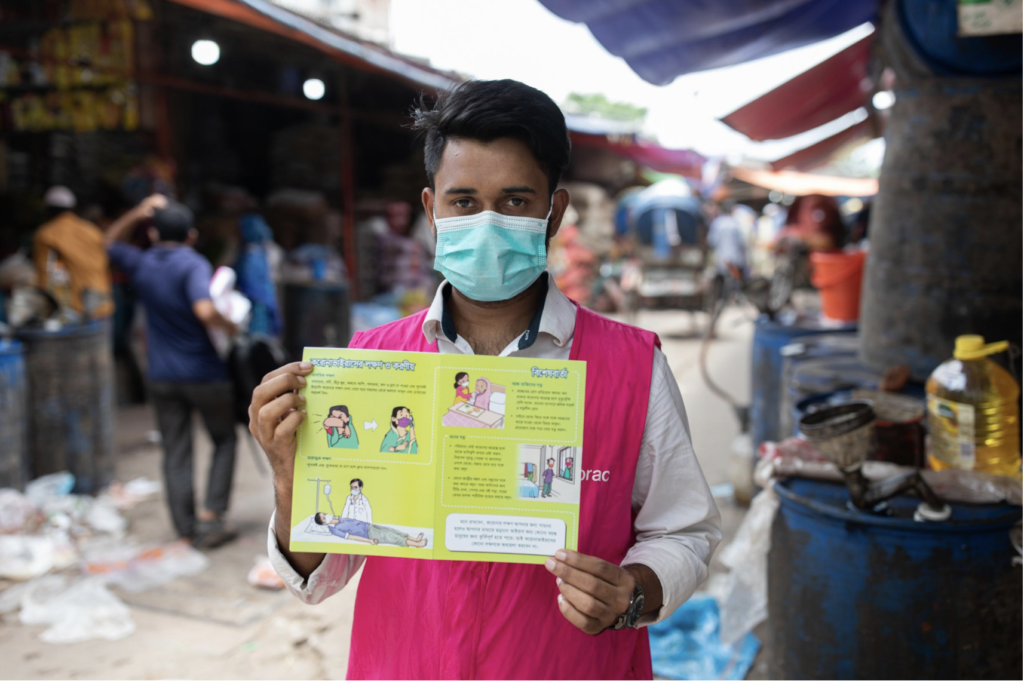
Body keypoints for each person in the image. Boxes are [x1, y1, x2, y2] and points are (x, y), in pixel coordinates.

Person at [250, 79, 721, 680]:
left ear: (555, 212)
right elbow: (323, 575)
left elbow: (685, 531)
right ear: (431, 211)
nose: (488, 221)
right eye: (465, 201)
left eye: (516, 202)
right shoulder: (372, 364)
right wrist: (291, 475)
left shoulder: (631, 367)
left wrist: (632, 591)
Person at [106, 195, 239, 549]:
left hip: (161, 375)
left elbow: (107, 242)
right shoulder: (192, 263)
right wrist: (231, 326)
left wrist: (136, 211)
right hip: (205, 372)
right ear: (192, 236)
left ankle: (184, 528)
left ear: (151, 234)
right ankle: (212, 516)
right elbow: (205, 310)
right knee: (224, 439)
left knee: (176, 450)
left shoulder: (142, 262)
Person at [33, 186, 114, 320]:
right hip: (102, 303)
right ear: (73, 208)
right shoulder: (92, 231)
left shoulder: (46, 234)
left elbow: (44, 275)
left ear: (48, 210)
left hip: (75, 310)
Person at [313, 512, 428, 548]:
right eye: (324, 517)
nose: (326, 515)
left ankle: (416, 540)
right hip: (369, 534)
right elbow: (352, 537)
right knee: (392, 538)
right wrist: (369, 541)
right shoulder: (335, 530)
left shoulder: (338, 518)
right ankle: (416, 544)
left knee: (393, 531)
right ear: (324, 523)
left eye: (324, 514)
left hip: (369, 526)